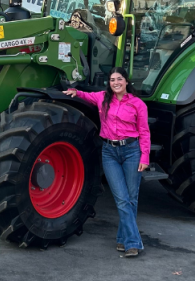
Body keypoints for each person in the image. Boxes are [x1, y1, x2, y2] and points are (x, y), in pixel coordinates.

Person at [64, 67, 150, 257]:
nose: (116, 83)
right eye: (112, 80)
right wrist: (75, 92)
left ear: (126, 81)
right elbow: (86, 95)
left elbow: (144, 132)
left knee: (131, 198)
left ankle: (123, 240)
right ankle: (133, 242)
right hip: (109, 152)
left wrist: (145, 157)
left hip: (131, 152)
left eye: (119, 79)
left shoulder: (138, 104)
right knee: (121, 198)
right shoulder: (103, 98)